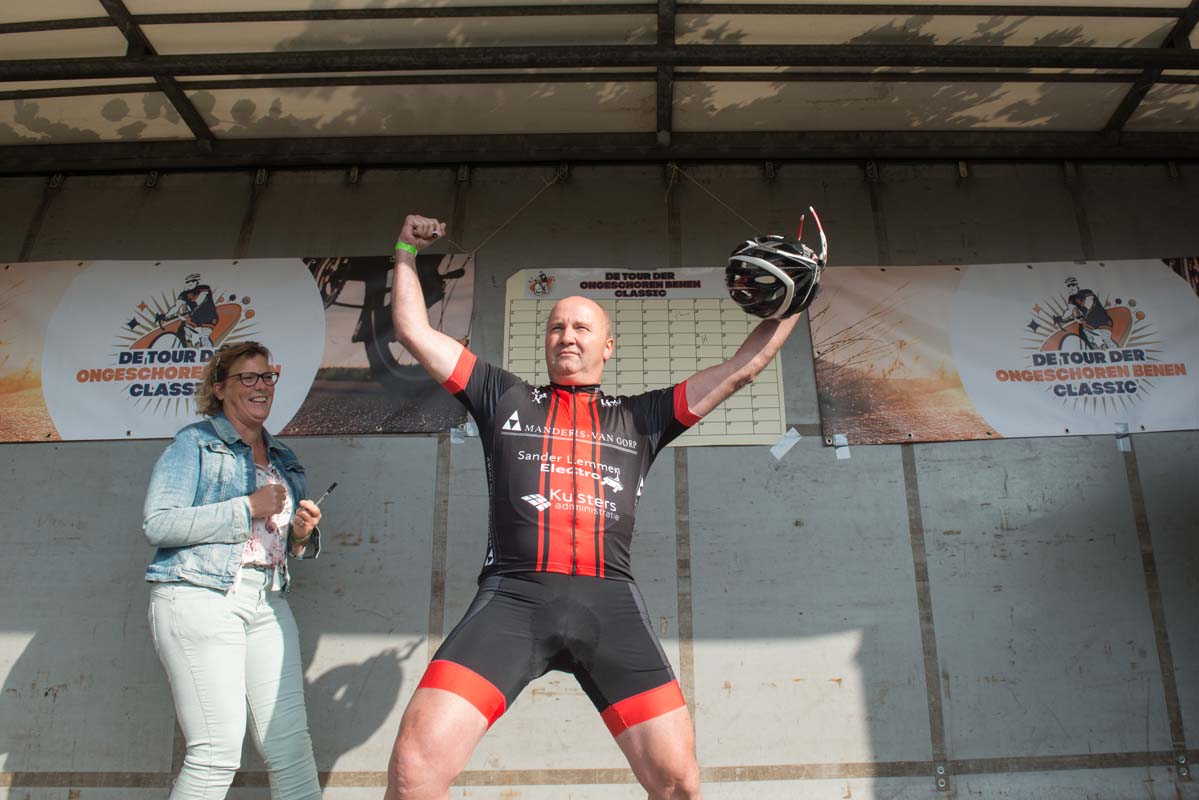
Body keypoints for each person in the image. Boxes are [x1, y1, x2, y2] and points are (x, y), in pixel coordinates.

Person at [385, 215, 808, 800]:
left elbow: (744, 368)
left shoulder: (641, 417)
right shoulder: (502, 396)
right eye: (557, 326)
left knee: (679, 783)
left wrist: (796, 295)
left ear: (607, 346)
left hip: (609, 605)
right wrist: (405, 250)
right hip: (514, 599)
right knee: (413, 771)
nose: (568, 336)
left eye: (582, 327)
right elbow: (411, 328)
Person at [143, 340, 323, 800]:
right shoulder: (194, 444)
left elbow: (274, 545)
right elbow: (158, 523)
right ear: (220, 388)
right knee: (216, 752)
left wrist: (300, 535)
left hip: (268, 599)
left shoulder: (282, 457)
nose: (261, 385)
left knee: (291, 748)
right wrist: (246, 508)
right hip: (201, 595)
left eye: (267, 376)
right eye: (247, 377)